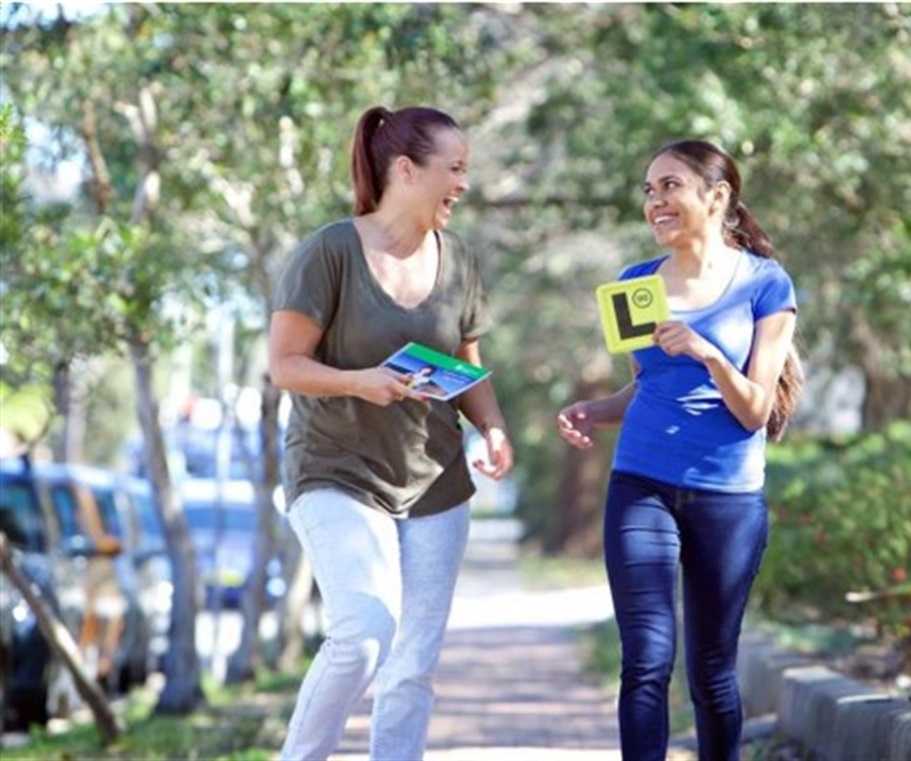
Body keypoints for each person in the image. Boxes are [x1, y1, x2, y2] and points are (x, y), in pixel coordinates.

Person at [268, 104, 513, 761]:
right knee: (366, 630)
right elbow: (284, 365)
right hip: (336, 472)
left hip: (435, 483)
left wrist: (491, 426)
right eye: (454, 168)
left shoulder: (458, 259)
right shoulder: (330, 252)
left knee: (413, 661)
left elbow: (468, 361)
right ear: (406, 169)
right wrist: (360, 380)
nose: (464, 182)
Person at [557, 139, 803, 761]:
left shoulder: (764, 285)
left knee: (712, 671)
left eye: (670, 185)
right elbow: (649, 387)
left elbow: (753, 409)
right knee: (644, 659)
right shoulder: (635, 283)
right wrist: (597, 410)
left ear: (717, 197)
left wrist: (707, 350)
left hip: (728, 497)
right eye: (648, 189)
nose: (655, 201)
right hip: (640, 483)